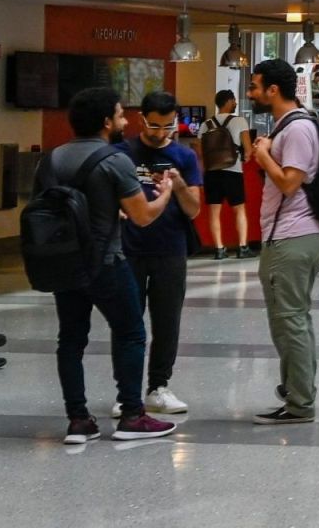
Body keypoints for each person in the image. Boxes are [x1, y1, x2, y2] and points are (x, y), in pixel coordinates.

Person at [47, 87, 180, 443]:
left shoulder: (53, 159)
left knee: (71, 339)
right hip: (106, 262)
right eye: (121, 115)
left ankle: (78, 420)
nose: (124, 120)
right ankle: (132, 416)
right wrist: (166, 192)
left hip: (65, 265)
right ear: (106, 122)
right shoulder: (115, 160)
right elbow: (143, 216)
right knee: (131, 332)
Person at [114, 91, 204, 417]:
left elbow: (194, 210)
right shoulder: (121, 152)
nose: (160, 133)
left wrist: (179, 186)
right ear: (142, 119)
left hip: (170, 250)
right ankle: (127, 393)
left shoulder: (184, 156)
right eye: (154, 125)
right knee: (128, 324)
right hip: (129, 249)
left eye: (167, 127)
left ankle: (158, 387)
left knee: (167, 323)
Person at [246, 58, 319, 426]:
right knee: (296, 319)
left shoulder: (295, 129)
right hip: (297, 235)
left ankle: (300, 401)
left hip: (292, 237)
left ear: (273, 90)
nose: (251, 93)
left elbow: (290, 182)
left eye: (255, 86)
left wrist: (263, 156)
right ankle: (297, 388)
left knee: (289, 321)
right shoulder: (293, 124)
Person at [203, 89, 253, 260]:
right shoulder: (239, 121)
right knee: (239, 210)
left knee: (214, 211)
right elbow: (248, 149)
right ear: (229, 101)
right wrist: (246, 156)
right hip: (233, 171)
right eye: (234, 100)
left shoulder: (206, 124)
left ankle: (219, 249)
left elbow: (198, 149)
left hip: (211, 173)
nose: (236, 103)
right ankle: (242, 247)